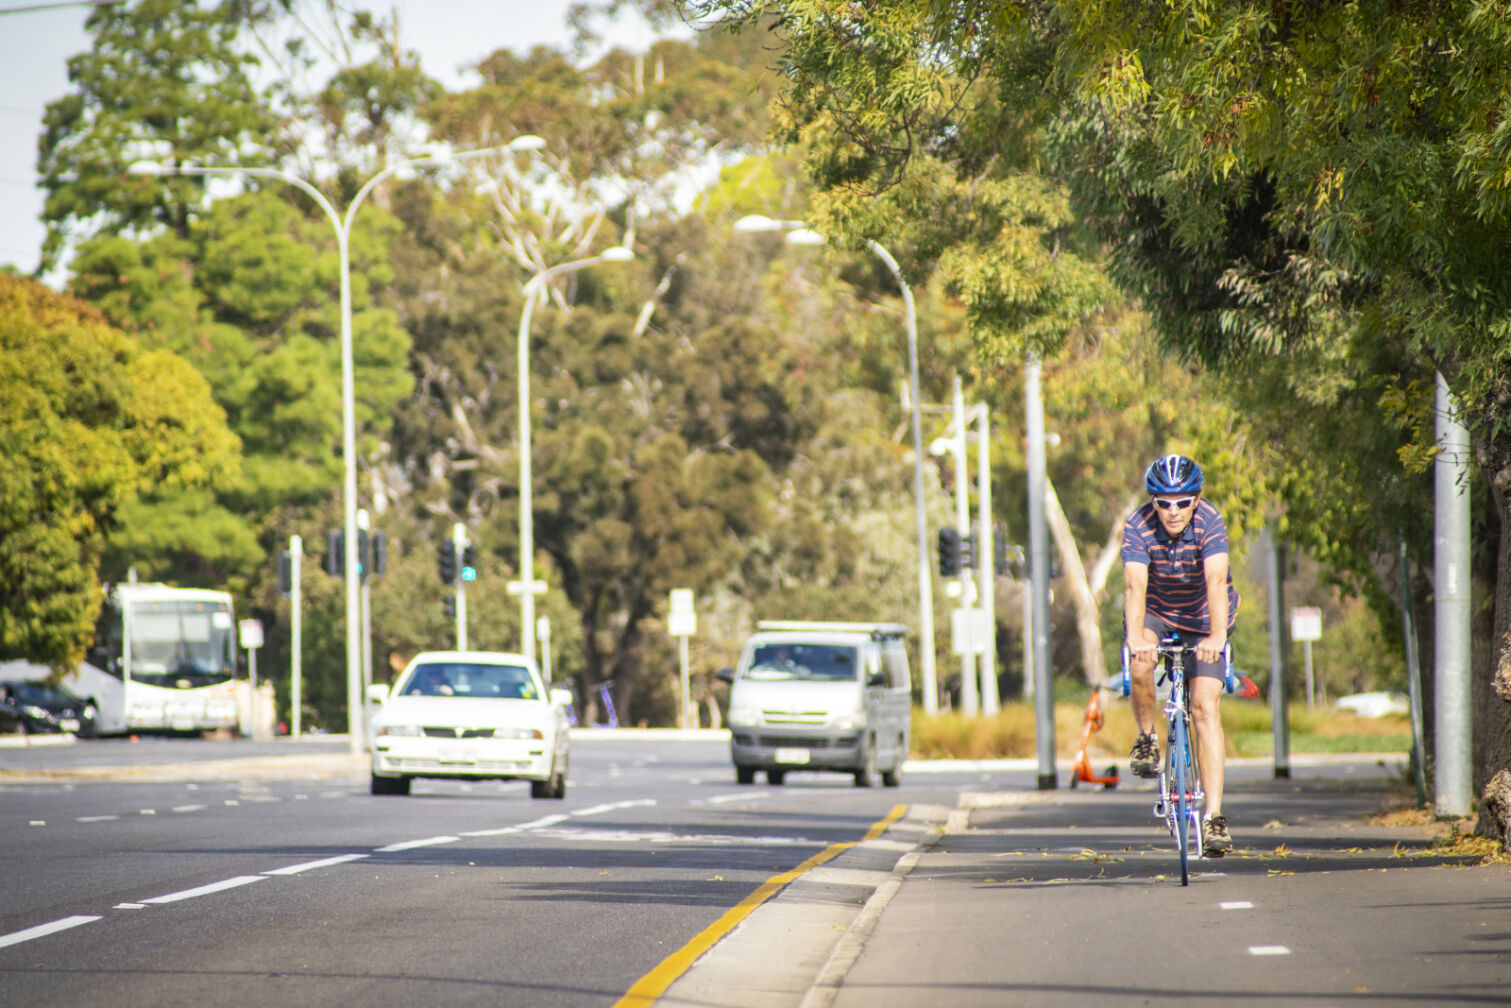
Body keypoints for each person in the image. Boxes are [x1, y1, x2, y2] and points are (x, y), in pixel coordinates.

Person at [1122, 454, 1240, 857]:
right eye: (1163, 502)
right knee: (1140, 663)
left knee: (1205, 705)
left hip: (1206, 615)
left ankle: (1214, 819)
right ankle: (1146, 739)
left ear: (1196, 498)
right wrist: (1138, 637)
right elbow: (1135, 586)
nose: (1173, 511)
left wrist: (1218, 635)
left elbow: (1216, 579)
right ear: (1153, 501)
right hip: (1156, 610)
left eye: (1182, 501)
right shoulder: (1138, 525)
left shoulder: (1210, 521)